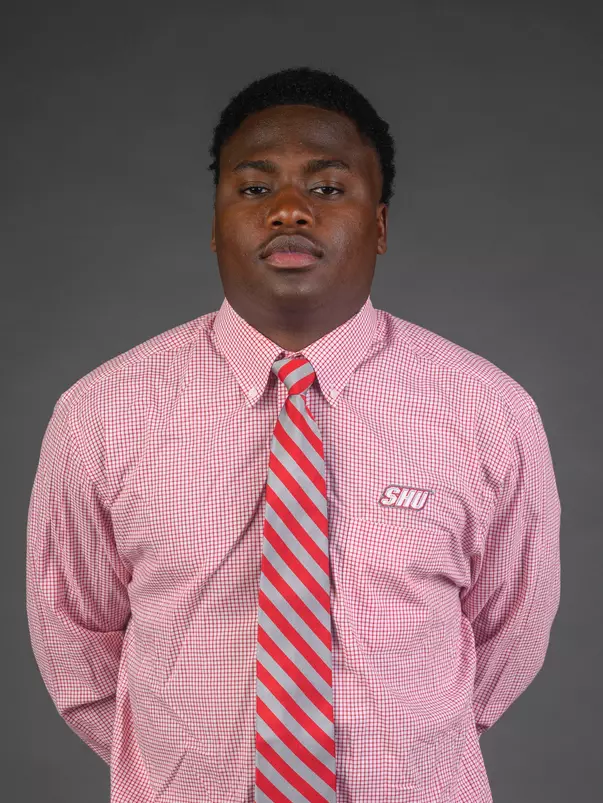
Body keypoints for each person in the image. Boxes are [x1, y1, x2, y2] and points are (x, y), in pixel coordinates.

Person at [25, 66, 561, 803]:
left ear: (379, 226)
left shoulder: (488, 411)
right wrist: (176, 762)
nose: (288, 211)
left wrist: (413, 752)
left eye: (327, 188)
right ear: (215, 223)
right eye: (254, 189)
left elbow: (511, 628)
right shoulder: (101, 412)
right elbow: (74, 635)